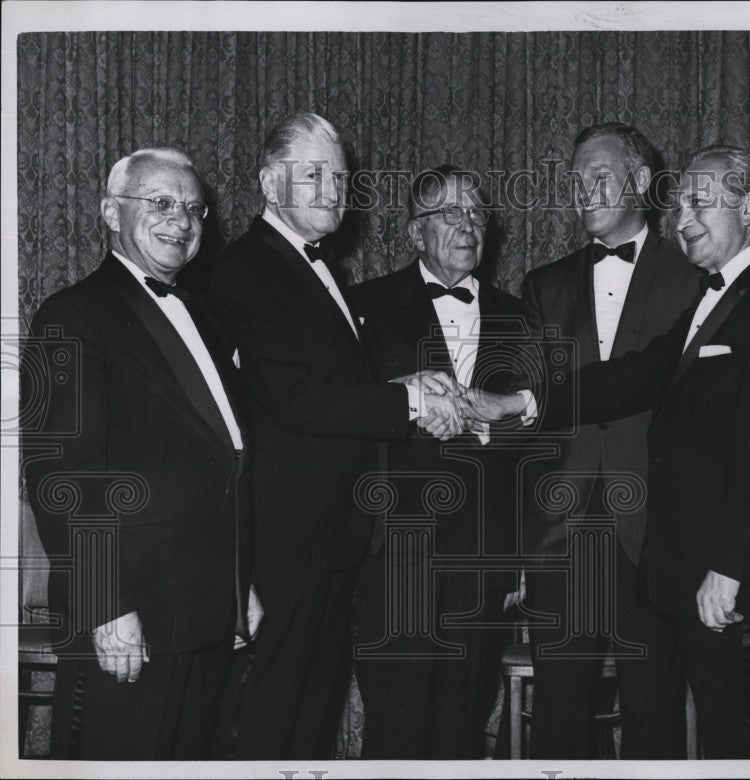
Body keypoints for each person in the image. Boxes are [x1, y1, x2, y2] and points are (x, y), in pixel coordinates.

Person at [463, 145, 750, 757]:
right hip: (670, 560)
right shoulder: (718, 295)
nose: (683, 219)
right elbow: (629, 376)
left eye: (700, 203)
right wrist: (516, 402)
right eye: (681, 205)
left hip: (719, 566)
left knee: (729, 735)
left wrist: (730, 567)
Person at [207, 113, 460, 758]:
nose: (331, 189)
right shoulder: (245, 270)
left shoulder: (316, 268)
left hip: (332, 529)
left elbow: (333, 378)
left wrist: (408, 380)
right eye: (313, 174)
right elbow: (293, 396)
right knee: (279, 710)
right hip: (288, 534)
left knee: (311, 710)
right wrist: (407, 400)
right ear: (269, 183)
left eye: (340, 176)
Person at [22, 147, 260, 759]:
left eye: (192, 207)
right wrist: (106, 606)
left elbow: (223, 459)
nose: (180, 220)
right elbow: (63, 478)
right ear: (110, 212)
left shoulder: (204, 315)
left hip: (209, 612)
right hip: (132, 618)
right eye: (159, 203)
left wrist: (240, 587)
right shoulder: (72, 315)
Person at [517, 122, 702, 758]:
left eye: (600, 176)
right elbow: (533, 418)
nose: (584, 191)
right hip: (559, 533)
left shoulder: (693, 276)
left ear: (642, 182)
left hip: (652, 531)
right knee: (559, 715)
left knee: (654, 710)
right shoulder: (544, 285)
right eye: (575, 181)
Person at [350, 165, 530, 758]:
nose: (467, 224)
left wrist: (518, 559)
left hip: (484, 551)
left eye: (477, 213)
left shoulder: (522, 316)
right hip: (393, 548)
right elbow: (336, 418)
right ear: (414, 233)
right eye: (450, 213)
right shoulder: (363, 307)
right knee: (394, 719)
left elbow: (541, 435)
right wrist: (404, 403)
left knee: (465, 715)